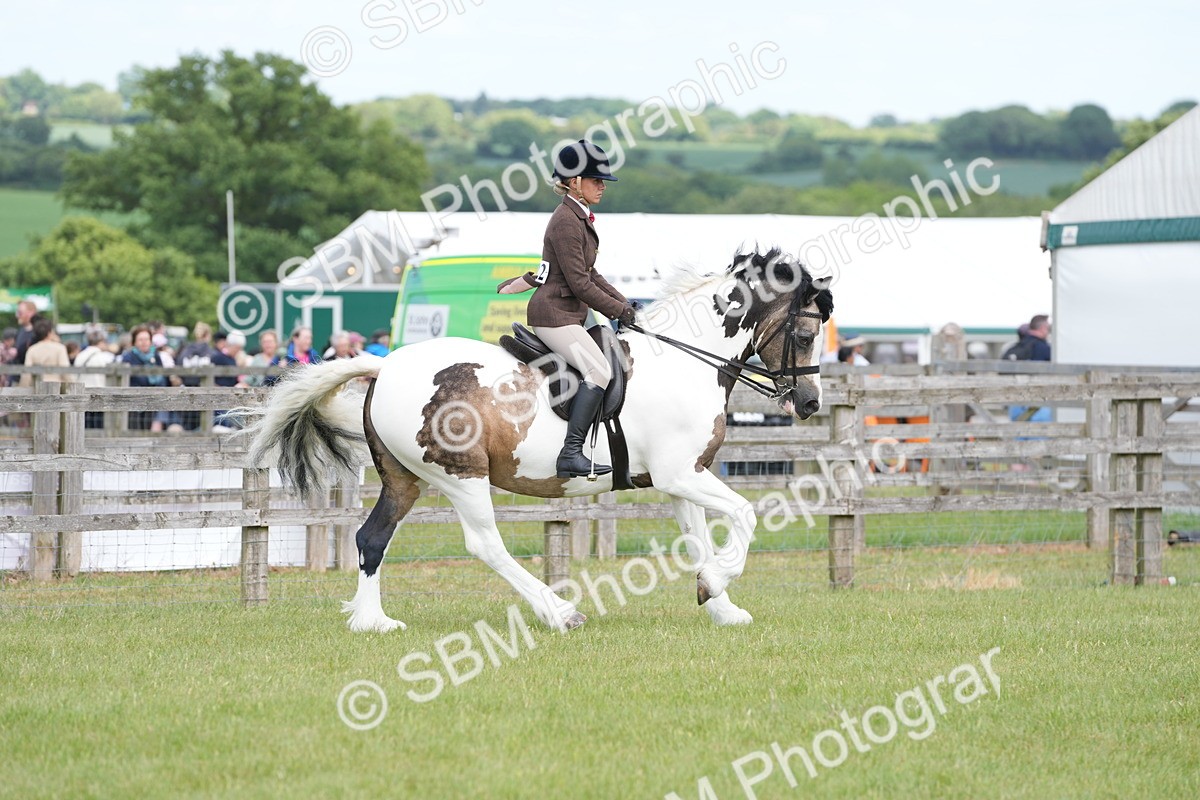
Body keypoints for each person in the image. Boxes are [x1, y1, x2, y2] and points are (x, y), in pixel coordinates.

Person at [495, 139, 634, 478]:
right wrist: (618, 312)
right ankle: (571, 452)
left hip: (568, 314)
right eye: (595, 179)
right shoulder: (566, 222)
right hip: (554, 316)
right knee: (598, 371)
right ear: (574, 182)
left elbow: (592, 274)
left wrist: (625, 304)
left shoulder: (577, 216)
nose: (602, 186)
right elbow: (579, 285)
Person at [122, 325, 179, 432]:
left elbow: (163, 377)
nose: (144, 342)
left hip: (157, 398)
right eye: (140, 339)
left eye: (146, 339)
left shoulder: (156, 355)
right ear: (134, 342)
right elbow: (134, 380)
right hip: (135, 399)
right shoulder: (129, 357)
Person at [75, 329, 116, 429]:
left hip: (82, 394)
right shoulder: (105, 357)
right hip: (99, 395)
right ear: (101, 342)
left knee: (84, 426)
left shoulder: (80, 355)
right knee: (98, 426)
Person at [19, 317, 74, 388]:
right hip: (57, 388)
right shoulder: (60, 348)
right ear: (49, 333)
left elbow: (26, 374)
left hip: (38, 388)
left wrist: (24, 388)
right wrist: (72, 384)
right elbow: (65, 371)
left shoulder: (32, 350)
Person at [13, 299, 37, 365]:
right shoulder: (20, 332)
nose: (17, 316)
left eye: (20, 313)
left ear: (31, 313)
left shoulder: (40, 333)